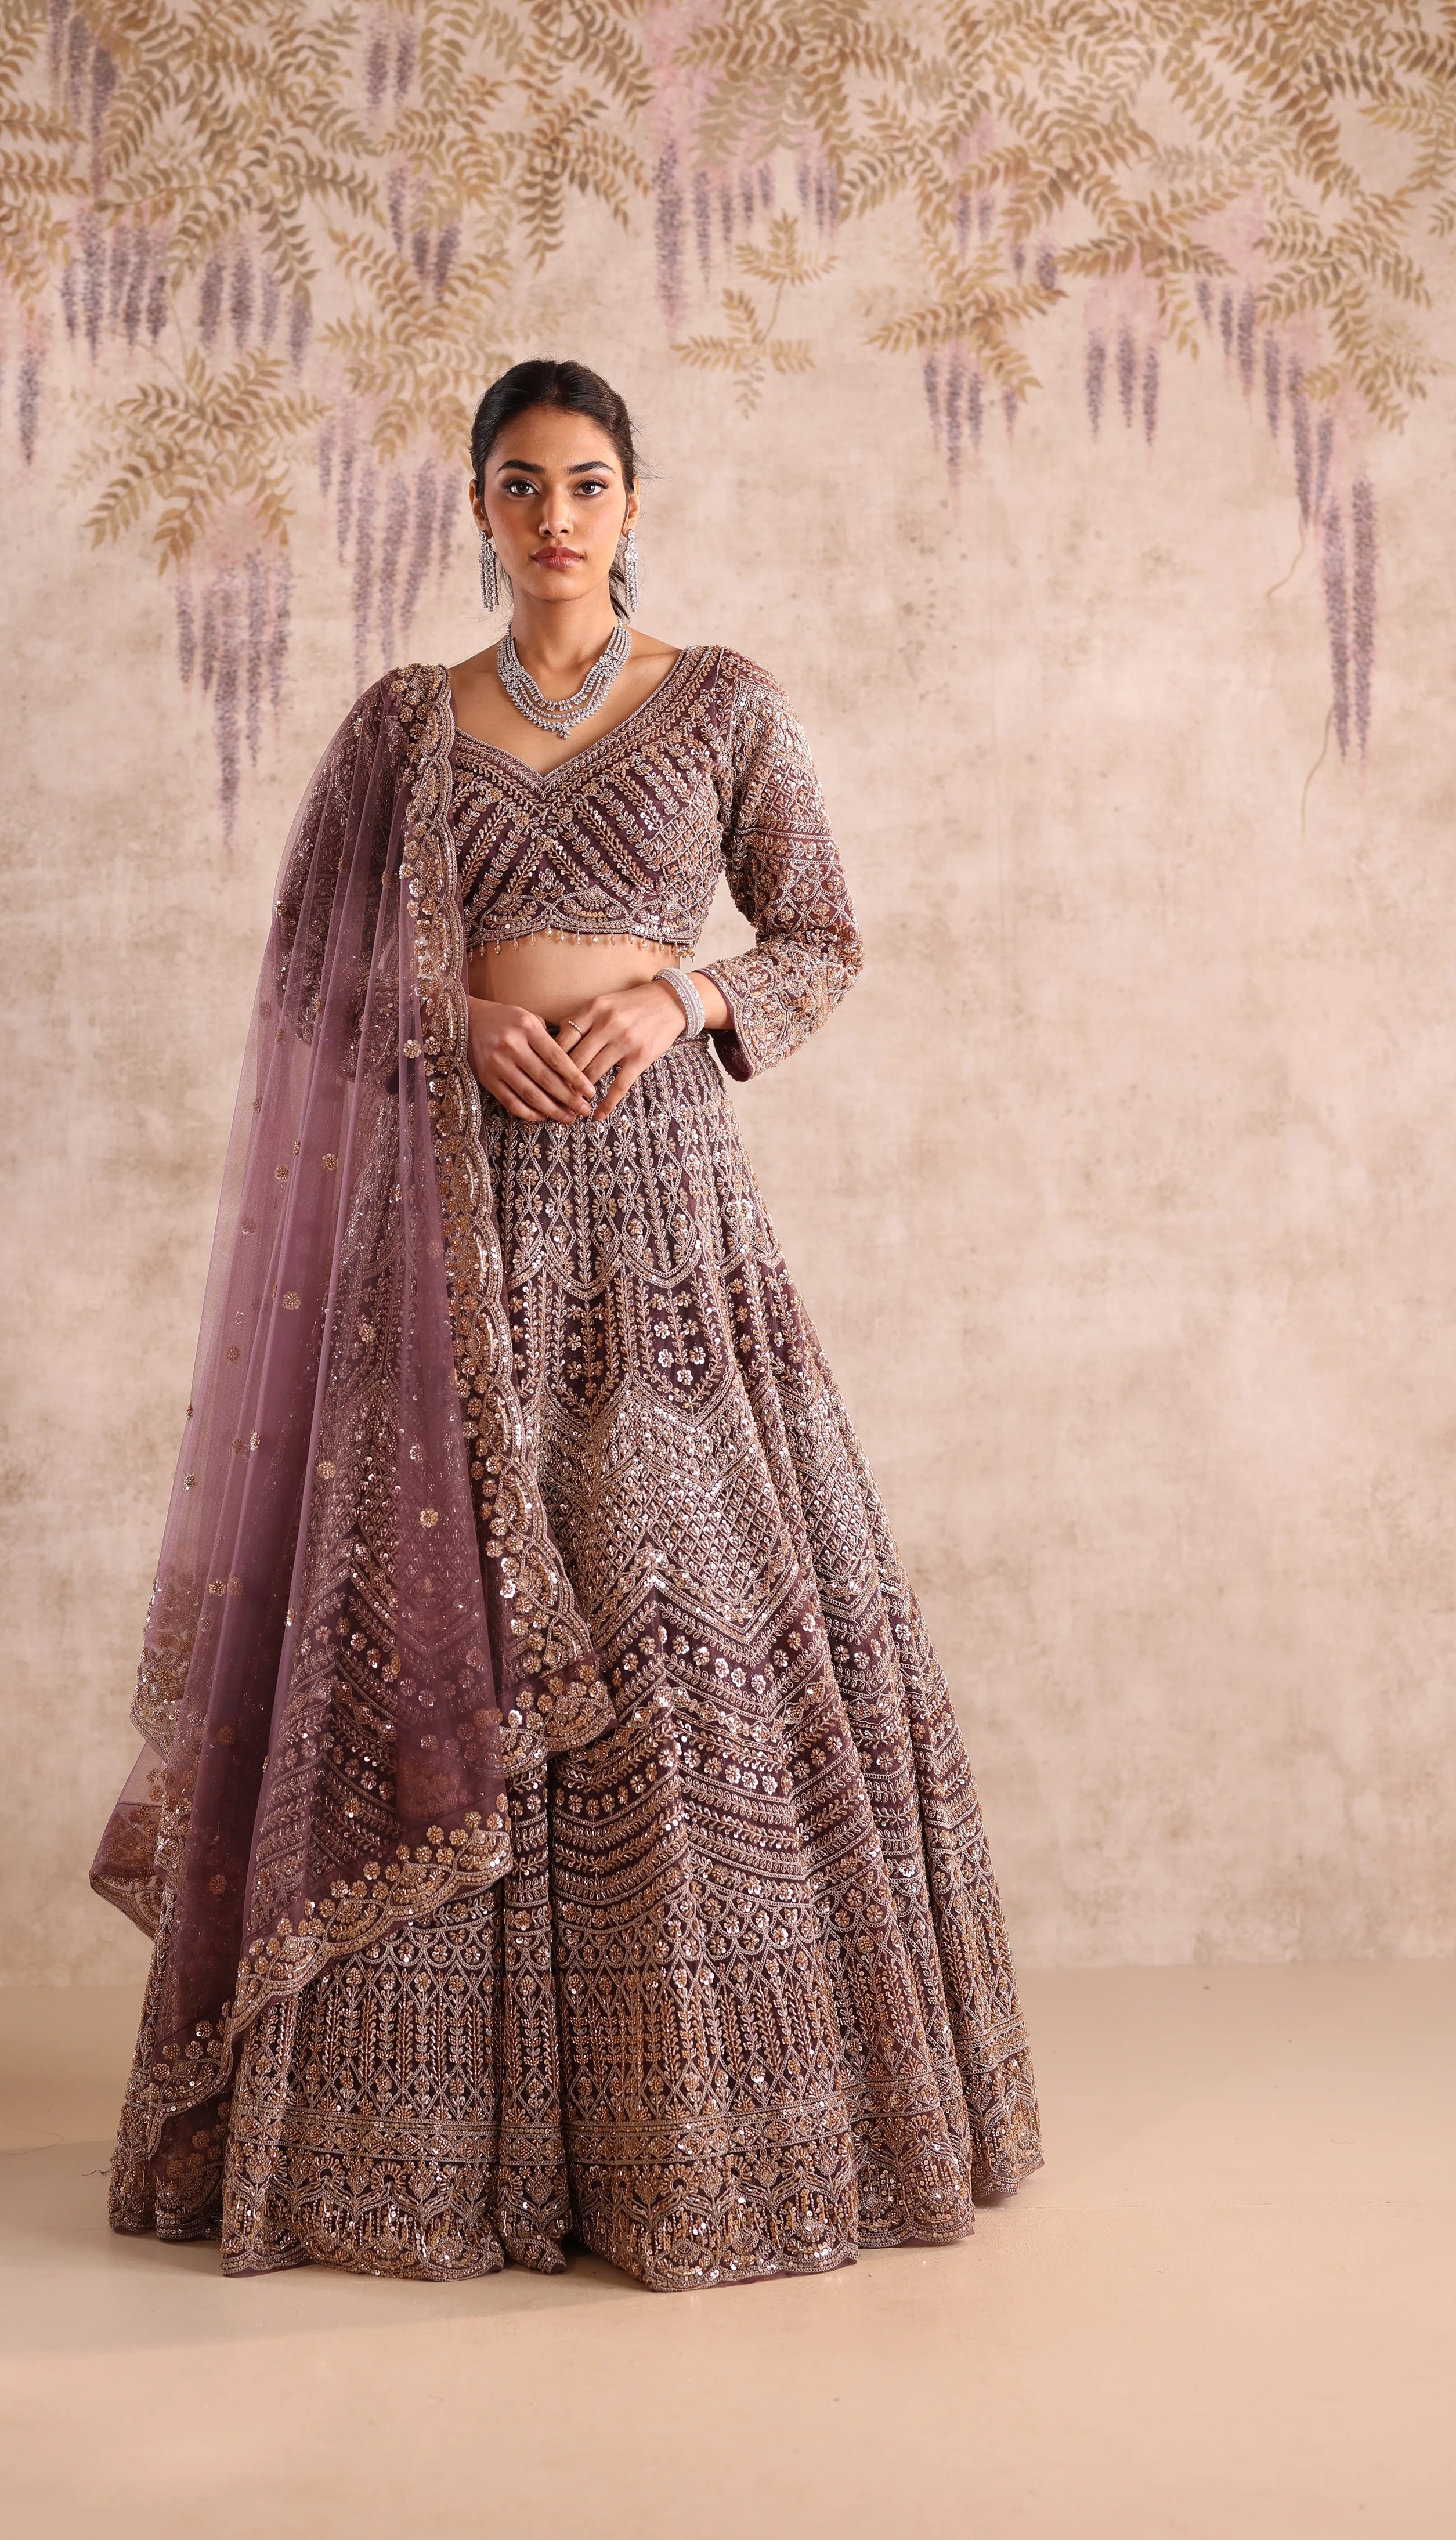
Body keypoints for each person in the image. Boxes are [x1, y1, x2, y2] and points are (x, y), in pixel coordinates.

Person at [91, 359, 1042, 2290]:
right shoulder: (402, 733)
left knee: (680, 1625)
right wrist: (460, 1023)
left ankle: (704, 2138)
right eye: (519, 487)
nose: (554, 519)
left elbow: (822, 937)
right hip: (451, 1231)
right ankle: (410, 2158)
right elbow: (314, 990)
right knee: (425, 1620)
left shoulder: (725, 707)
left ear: (635, 502)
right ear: (476, 508)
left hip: (668, 1223)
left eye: (587, 484)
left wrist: (680, 1003)